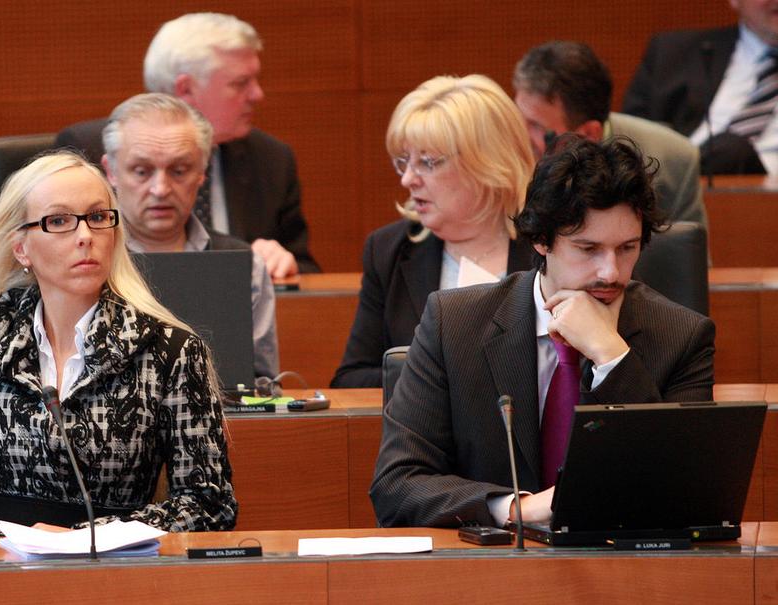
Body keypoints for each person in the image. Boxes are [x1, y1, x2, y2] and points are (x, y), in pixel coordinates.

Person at [0, 151, 237, 532]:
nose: (85, 236)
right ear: (21, 248)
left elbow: (210, 506)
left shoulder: (170, 352)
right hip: (5, 562)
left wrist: (86, 537)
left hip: (118, 561)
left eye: (98, 218)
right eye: (59, 221)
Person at [370, 136, 715, 528]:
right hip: (492, 561)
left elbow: (685, 493)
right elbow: (396, 485)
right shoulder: (454, 324)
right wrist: (516, 508)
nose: (611, 272)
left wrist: (611, 358)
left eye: (627, 248)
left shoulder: (683, 337)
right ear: (540, 239)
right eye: (588, 249)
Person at [55, 12, 318, 278]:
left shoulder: (271, 158)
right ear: (186, 89)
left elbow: (308, 272)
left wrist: (282, 264)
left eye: (180, 170)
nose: (257, 94)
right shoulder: (88, 148)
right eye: (241, 83)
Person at [331, 75, 535, 388]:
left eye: (427, 162)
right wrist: (437, 370)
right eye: (404, 161)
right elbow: (351, 380)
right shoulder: (389, 250)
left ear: (488, 163)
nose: (408, 179)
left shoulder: (548, 248)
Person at [101, 92, 279, 379]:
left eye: (179, 171)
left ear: (202, 172)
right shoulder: (88, 259)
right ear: (111, 171)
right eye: (142, 171)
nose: (160, 189)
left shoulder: (243, 265)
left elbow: (260, 384)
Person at [513, 40, 708, 230]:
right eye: (515, 115)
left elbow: (687, 249)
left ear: (589, 134)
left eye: (536, 125)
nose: (518, 134)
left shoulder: (674, 162)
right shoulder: (503, 153)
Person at [623, 1, 778, 175]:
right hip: (675, 178)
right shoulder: (673, 53)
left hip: (767, 183)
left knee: (733, 150)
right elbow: (630, 138)